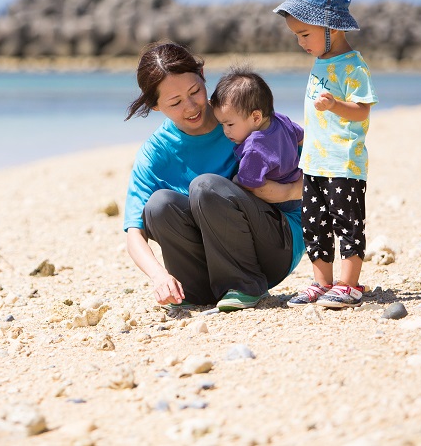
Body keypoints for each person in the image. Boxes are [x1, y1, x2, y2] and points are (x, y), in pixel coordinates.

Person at [123, 41, 305, 312]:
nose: (191, 106)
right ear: (156, 105)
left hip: (275, 247)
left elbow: (319, 165)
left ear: (203, 76)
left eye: (195, 91)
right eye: (175, 102)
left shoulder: (240, 115)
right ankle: (196, 292)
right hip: (209, 268)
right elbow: (134, 231)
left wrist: (289, 192)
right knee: (159, 205)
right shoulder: (156, 152)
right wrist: (159, 276)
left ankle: (245, 286)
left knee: (205, 186)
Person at [273, 0, 378, 309]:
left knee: (347, 222)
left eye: (305, 34)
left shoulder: (354, 66)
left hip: (343, 162)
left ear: (330, 26)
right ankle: (322, 282)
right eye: (297, 36)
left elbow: (361, 112)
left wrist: (335, 106)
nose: (300, 42)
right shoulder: (320, 61)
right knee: (314, 223)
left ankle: (349, 284)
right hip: (315, 161)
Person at [209, 66, 304, 214]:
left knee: (235, 180)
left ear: (256, 117)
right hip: (296, 186)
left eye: (230, 124)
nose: (225, 131)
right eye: (222, 124)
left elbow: (250, 183)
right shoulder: (281, 119)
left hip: (280, 201)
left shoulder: (254, 147)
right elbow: (302, 137)